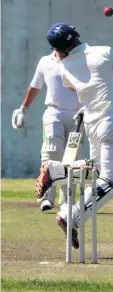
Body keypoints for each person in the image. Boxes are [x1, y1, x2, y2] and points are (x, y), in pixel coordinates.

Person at [35, 22, 113, 248]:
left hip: (91, 124)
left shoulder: (64, 68)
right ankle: (70, 215)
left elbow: (76, 88)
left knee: (98, 170)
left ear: (59, 50)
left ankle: (57, 170)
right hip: (111, 122)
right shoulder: (105, 52)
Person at [12, 50, 82, 211]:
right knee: (51, 152)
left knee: (72, 157)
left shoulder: (80, 60)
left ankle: (67, 200)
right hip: (53, 112)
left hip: (78, 115)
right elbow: (35, 86)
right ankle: (46, 198)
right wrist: (23, 109)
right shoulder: (45, 61)